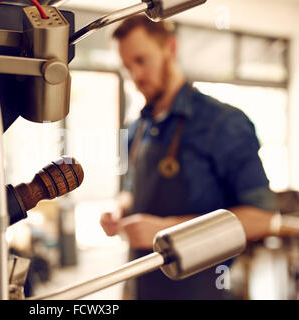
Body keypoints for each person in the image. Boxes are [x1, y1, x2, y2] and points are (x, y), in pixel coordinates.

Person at [100, 15, 290, 300]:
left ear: (170, 48)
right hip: (142, 285)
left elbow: (262, 218)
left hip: (199, 289)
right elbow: (130, 190)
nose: (136, 76)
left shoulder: (224, 123)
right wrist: (119, 212)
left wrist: (166, 229)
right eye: (128, 67)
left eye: (142, 61)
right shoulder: (135, 129)